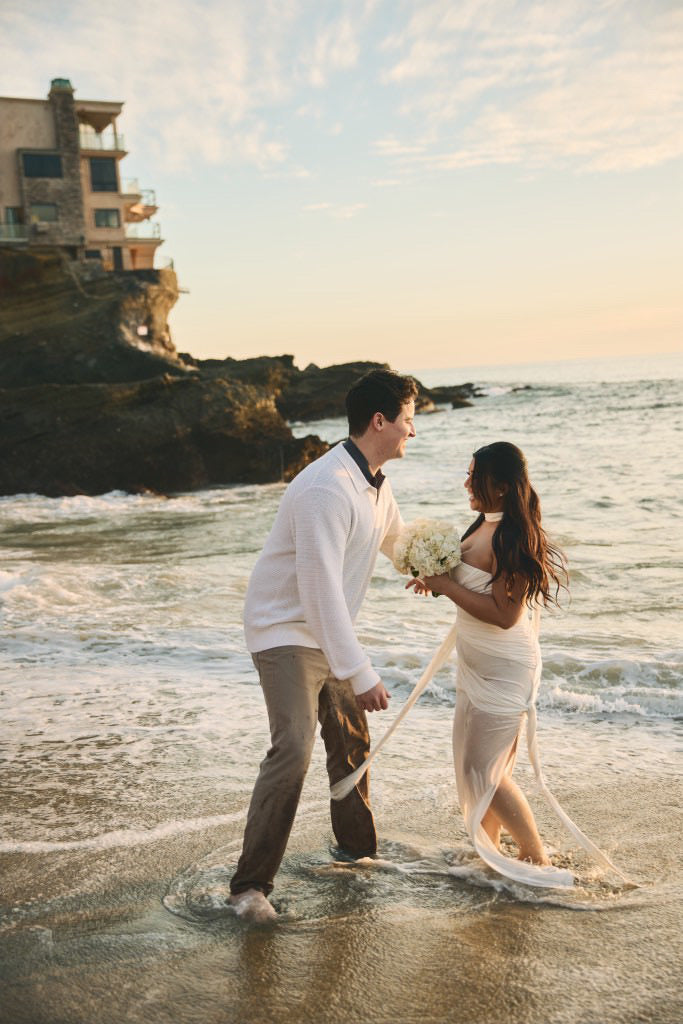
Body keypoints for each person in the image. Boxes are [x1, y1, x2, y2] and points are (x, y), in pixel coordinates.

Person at [229, 369, 418, 921]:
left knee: (351, 744)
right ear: (380, 421)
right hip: (284, 630)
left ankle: (357, 856)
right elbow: (317, 592)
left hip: (325, 633)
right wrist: (360, 672)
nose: (413, 430)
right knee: (294, 748)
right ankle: (249, 887)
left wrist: (441, 571)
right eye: (409, 419)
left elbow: (395, 541)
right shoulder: (325, 488)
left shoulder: (375, 482)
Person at [408, 441, 624, 888]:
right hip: (475, 661)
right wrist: (435, 581)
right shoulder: (482, 526)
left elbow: (506, 616)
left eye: (475, 475)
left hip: (504, 666)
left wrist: (446, 585)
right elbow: (474, 588)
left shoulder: (512, 534)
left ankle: (535, 855)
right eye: (467, 474)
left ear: (502, 487)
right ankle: (488, 850)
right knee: (474, 765)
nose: (466, 482)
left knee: (484, 769)